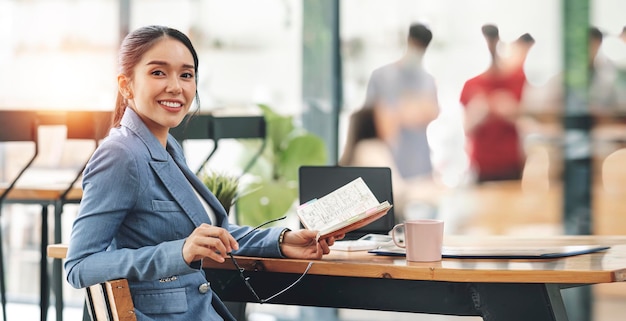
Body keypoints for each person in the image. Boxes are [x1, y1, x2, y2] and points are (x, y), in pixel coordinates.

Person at [64, 25, 340, 321]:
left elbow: (213, 234)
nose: (176, 87)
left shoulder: (167, 146)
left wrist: (283, 241)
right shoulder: (121, 154)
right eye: (158, 73)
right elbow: (79, 266)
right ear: (126, 84)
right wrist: (179, 252)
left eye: (186, 74)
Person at [363, 22, 440, 181]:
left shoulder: (427, 80)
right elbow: (370, 116)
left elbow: (432, 111)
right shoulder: (382, 76)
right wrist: (399, 113)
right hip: (387, 160)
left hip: (419, 164)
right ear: (408, 41)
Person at [459, 24, 535, 183]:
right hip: (482, 166)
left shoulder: (518, 80)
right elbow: (466, 128)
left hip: (512, 164)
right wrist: (480, 110)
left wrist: (512, 111)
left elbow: (530, 123)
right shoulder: (472, 85)